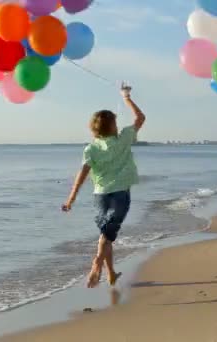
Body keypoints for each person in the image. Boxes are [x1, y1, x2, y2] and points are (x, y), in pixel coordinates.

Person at [62, 83, 146, 288]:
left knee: (106, 235)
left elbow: (82, 175)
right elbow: (140, 118)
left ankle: (111, 274)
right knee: (106, 236)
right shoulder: (124, 137)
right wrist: (126, 98)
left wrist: (70, 199)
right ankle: (96, 264)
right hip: (120, 195)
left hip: (100, 196)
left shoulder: (90, 149)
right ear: (113, 126)